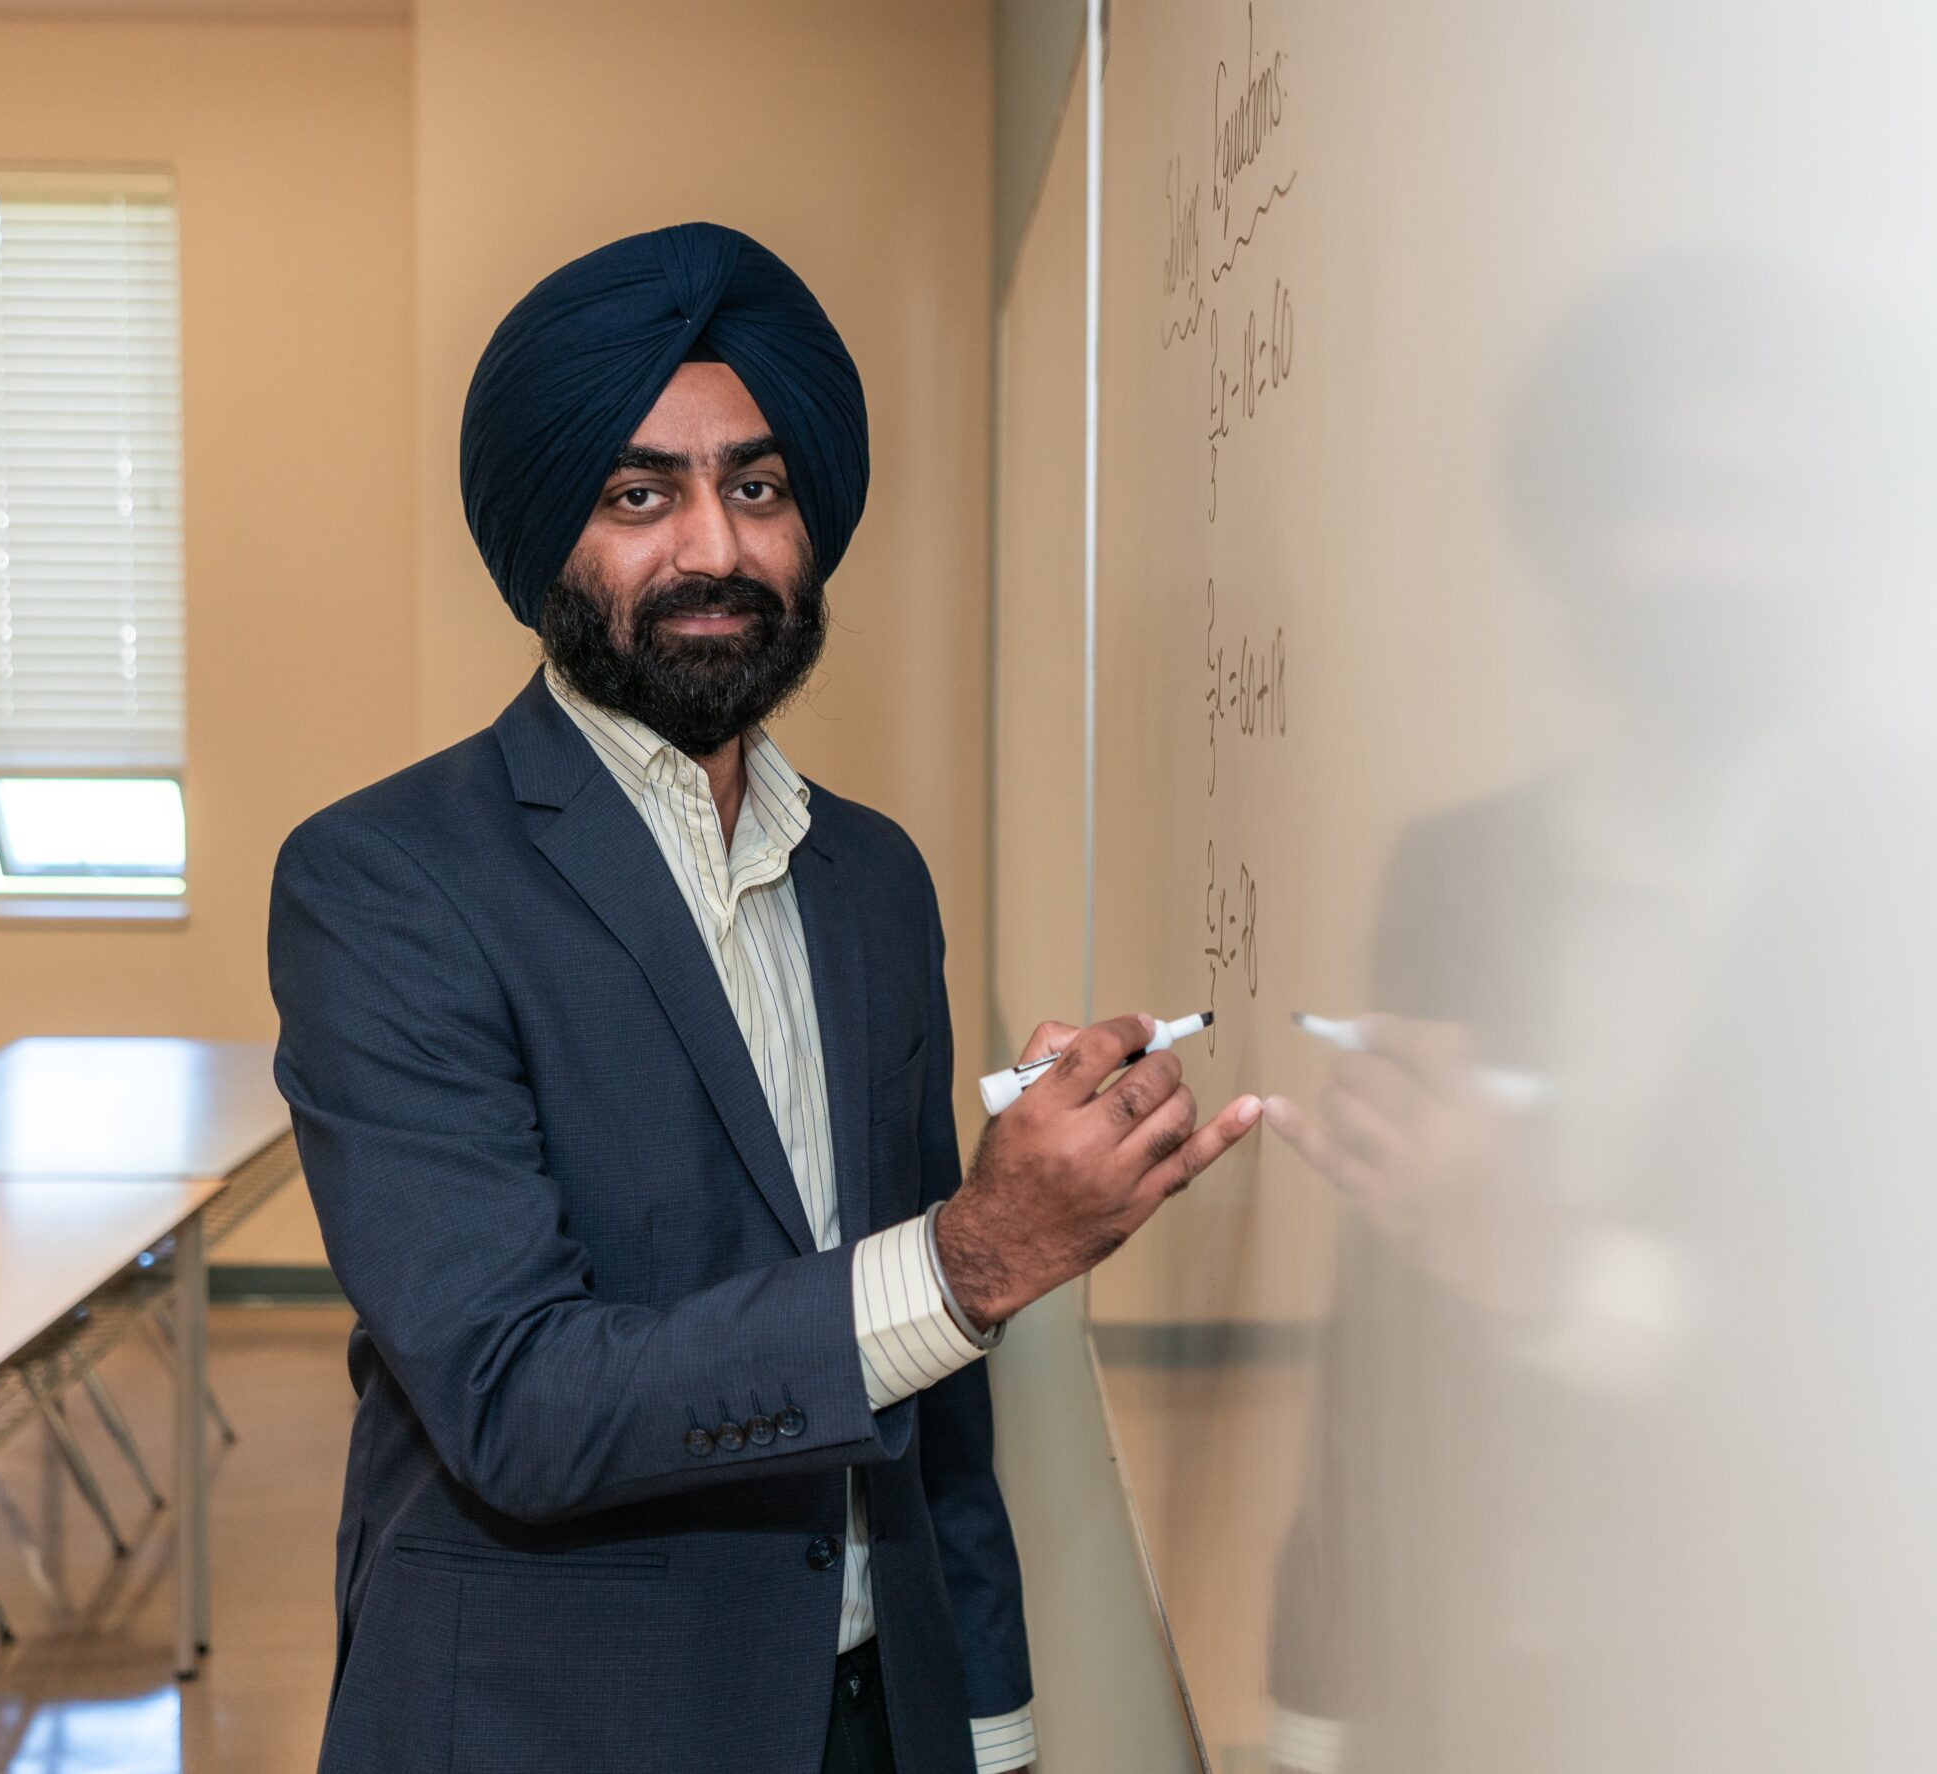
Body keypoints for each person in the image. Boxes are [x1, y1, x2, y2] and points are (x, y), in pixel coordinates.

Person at [269, 221, 1260, 1774]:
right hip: (555, 1723)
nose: (714, 551)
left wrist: (986, 1721)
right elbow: (520, 1399)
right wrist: (971, 1254)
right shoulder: (386, 883)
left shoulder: (873, 879)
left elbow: (938, 1409)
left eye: (758, 486)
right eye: (638, 493)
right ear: (548, 538)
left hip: (878, 1710)